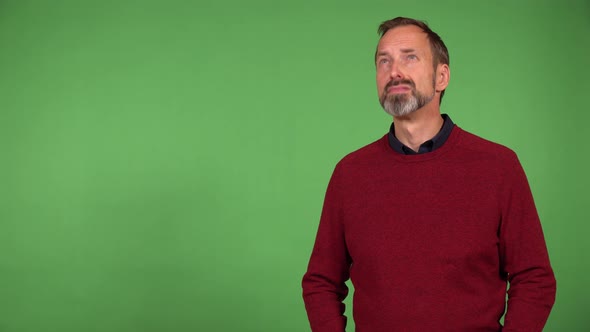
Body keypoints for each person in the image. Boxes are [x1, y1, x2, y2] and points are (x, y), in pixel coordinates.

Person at [301, 17, 556, 331]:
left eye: (410, 57)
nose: (394, 70)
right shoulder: (350, 174)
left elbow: (534, 278)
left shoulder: (499, 167)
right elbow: (320, 282)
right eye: (384, 61)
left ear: (441, 76)